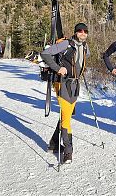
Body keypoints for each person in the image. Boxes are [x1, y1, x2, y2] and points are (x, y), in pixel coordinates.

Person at [40, 22, 90, 164]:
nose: (83, 33)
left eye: (85, 31)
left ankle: (54, 144)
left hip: (75, 84)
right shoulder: (66, 44)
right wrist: (57, 68)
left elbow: (80, 61)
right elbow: (45, 54)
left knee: (66, 114)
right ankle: (68, 152)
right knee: (67, 117)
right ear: (75, 32)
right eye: (80, 31)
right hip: (62, 83)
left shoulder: (85, 46)